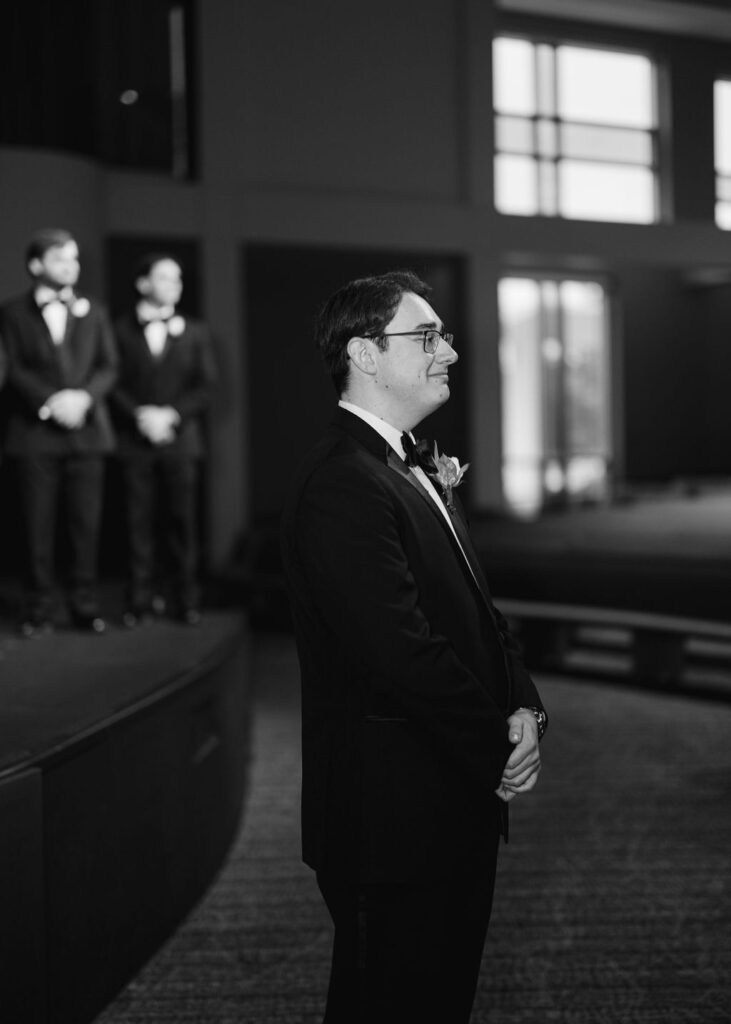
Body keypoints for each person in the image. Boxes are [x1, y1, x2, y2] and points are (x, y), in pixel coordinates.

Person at [280, 270, 548, 1023]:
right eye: (426, 337)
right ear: (365, 354)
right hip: (391, 820)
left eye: (445, 337)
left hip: (441, 800)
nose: (450, 354)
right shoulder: (343, 482)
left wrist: (525, 706)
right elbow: (398, 650)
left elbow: (475, 613)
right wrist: (494, 743)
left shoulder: (404, 465)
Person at [0, 228, 117, 636]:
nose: (71, 266)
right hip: (35, 431)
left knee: (85, 524)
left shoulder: (95, 310)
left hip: (87, 430)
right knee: (37, 526)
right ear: (36, 266)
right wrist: (51, 402)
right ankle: (38, 607)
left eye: (75, 259)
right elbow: (12, 367)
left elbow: (108, 366)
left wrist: (82, 399)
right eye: (60, 258)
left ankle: (84, 604)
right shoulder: (12, 312)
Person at [110, 253, 217, 627]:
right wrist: (140, 414)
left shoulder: (196, 330)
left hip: (181, 438)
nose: (174, 284)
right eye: (165, 277)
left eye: (178, 278)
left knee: (182, 523)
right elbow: (113, 381)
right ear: (143, 284)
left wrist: (171, 415)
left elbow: (206, 387)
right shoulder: (119, 329)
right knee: (136, 523)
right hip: (134, 437)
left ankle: (185, 599)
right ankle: (138, 599)